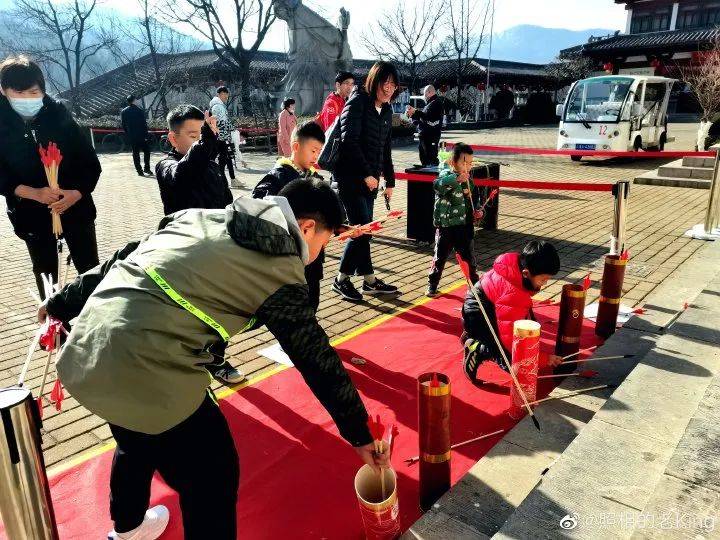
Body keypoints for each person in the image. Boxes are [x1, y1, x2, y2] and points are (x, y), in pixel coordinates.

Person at [40, 178, 389, 540]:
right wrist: (360, 433)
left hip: (89, 349)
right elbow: (316, 357)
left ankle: (128, 528)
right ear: (306, 227)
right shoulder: (279, 269)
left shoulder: (201, 217)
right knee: (213, 475)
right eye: (323, 242)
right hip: (147, 365)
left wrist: (61, 301)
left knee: (137, 433)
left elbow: (123, 256)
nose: (318, 253)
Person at [154, 104, 245, 386]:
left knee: (222, 309)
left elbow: (225, 201)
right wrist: (206, 142)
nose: (199, 140)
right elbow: (184, 174)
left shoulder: (210, 163)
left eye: (201, 133)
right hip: (189, 253)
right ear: (173, 138)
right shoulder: (166, 166)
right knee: (192, 312)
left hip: (219, 248)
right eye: (192, 135)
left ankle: (215, 357)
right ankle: (189, 360)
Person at [0, 55, 101, 298]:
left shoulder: (58, 114)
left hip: (75, 208)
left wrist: (76, 193)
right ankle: (55, 329)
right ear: (3, 90)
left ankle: (95, 319)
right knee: (47, 276)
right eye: (19, 93)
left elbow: (89, 163)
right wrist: (33, 193)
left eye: (34, 92)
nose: (27, 99)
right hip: (31, 214)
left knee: (90, 270)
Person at [332, 61, 400, 302]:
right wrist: (366, 175)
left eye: (393, 84)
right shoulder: (358, 101)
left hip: (370, 181)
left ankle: (369, 280)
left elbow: (386, 149)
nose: (389, 88)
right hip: (350, 177)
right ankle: (341, 280)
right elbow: (348, 141)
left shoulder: (387, 109)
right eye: (385, 82)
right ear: (374, 81)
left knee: (365, 230)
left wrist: (389, 181)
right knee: (361, 230)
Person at [253, 121, 331, 312]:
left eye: (319, 151)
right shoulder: (279, 175)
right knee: (294, 308)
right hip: (289, 257)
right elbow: (258, 202)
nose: (316, 156)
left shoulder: (315, 178)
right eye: (313, 151)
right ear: (296, 147)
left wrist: (339, 227)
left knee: (312, 301)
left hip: (313, 257)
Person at [461, 241, 563, 383]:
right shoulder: (513, 294)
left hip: (486, 305)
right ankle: (476, 347)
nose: (545, 283)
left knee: (525, 331)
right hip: (476, 314)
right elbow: (510, 341)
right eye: (543, 279)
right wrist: (543, 359)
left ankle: (479, 335)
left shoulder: (517, 268)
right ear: (526, 273)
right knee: (513, 364)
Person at [426, 143, 481, 297]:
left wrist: (477, 211)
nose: (468, 166)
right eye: (464, 162)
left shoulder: (469, 180)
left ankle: (475, 287)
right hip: (446, 226)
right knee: (440, 257)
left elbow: (473, 199)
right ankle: (432, 284)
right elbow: (438, 186)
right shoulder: (446, 174)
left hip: (464, 225)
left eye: (470, 163)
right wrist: (456, 178)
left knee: (469, 259)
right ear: (453, 161)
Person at [209, 86, 245, 188]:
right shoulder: (218, 106)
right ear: (219, 94)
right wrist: (233, 128)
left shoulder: (217, 106)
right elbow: (221, 122)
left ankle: (230, 180)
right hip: (221, 137)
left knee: (227, 158)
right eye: (224, 94)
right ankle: (219, 181)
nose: (226, 96)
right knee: (223, 159)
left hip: (220, 137)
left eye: (227, 94)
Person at [407, 84, 444, 166]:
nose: (424, 96)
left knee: (431, 156)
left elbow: (429, 117)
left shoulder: (436, 103)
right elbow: (424, 117)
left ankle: (431, 173)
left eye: (425, 93)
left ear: (429, 92)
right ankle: (425, 171)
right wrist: (413, 116)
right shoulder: (430, 103)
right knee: (424, 156)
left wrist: (415, 111)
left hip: (431, 135)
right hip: (425, 135)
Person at [120, 94, 151, 177]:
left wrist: (128, 134)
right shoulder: (139, 110)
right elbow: (143, 124)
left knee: (135, 153)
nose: (138, 100)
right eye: (136, 99)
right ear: (134, 100)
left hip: (132, 136)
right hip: (141, 135)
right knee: (147, 151)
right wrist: (146, 135)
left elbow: (123, 125)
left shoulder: (124, 111)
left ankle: (139, 170)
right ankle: (147, 168)